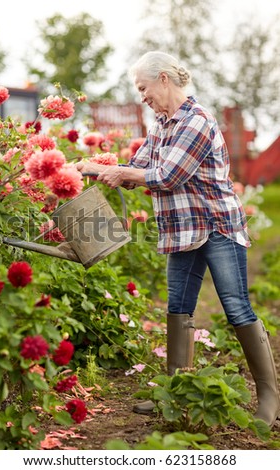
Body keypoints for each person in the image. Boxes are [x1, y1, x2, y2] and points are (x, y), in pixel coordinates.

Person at [76, 51, 280, 428]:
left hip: (217, 226)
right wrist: (97, 168)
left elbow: (168, 175)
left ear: (164, 79)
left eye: (144, 87)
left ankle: (269, 396)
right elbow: (141, 169)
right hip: (183, 229)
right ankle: (175, 391)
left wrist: (121, 172)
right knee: (178, 307)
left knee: (235, 307)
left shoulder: (196, 122)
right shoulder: (162, 124)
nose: (142, 96)